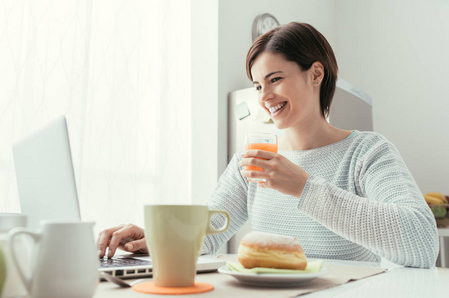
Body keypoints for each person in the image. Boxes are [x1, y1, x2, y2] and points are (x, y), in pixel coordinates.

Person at [97, 22, 439, 268]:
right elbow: (209, 235)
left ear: (315, 74)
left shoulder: (367, 153)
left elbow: (422, 243)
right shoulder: (254, 160)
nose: (265, 97)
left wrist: (304, 188)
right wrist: (154, 239)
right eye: (259, 86)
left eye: (275, 79)